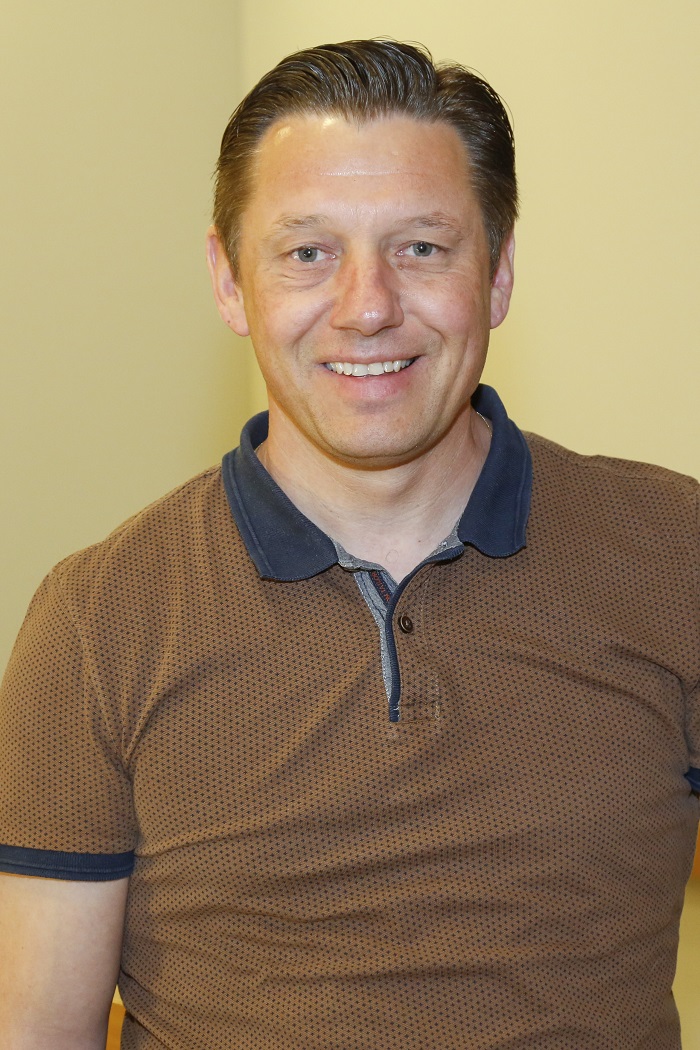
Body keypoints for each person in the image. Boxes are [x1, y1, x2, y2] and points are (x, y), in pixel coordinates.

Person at [0, 38, 698, 1050]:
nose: (367, 307)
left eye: (421, 248)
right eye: (307, 253)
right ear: (229, 281)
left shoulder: (676, 556)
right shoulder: (98, 619)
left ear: (498, 273)